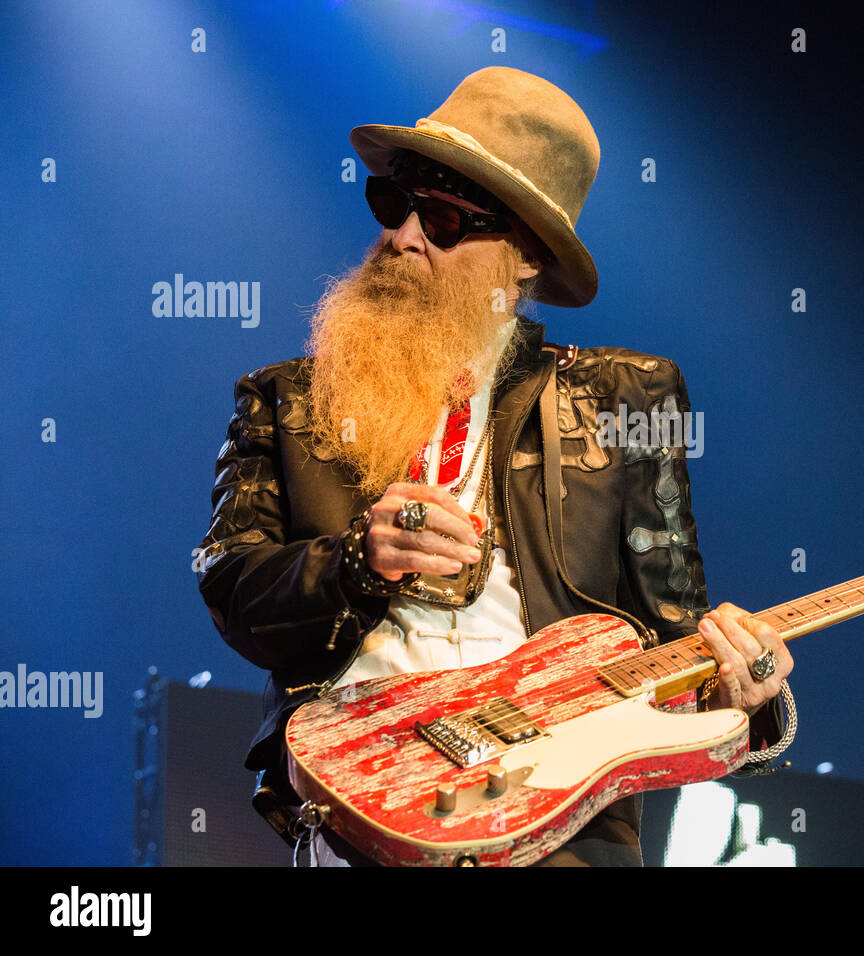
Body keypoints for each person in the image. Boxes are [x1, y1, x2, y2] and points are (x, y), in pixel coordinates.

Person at [195, 66, 795, 866]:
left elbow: (675, 640)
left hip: (560, 821)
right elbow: (232, 588)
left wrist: (743, 698)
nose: (401, 236)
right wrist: (354, 563)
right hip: (364, 809)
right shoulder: (288, 398)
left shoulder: (621, 398)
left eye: (442, 219)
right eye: (392, 204)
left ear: (526, 256)